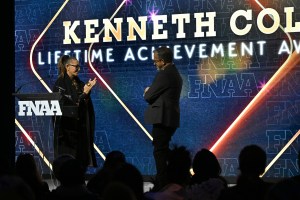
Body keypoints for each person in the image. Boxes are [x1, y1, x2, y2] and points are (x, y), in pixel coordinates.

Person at [143, 46, 183, 190]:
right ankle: (177, 171)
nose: (154, 63)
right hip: (169, 118)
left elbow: (149, 96)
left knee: (159, 151)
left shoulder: (165, 74)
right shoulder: (173, 72)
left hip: (163, 118)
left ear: (163, 61)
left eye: (156, 61)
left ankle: (162, 183)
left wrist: (148, 90)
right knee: (163, 149)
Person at [53, 55, 97, 169]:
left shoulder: (78, 82)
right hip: (67, 130)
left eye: (79, 66)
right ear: (67, 67)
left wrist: (87, 90)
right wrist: (84, 94)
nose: (78, 69)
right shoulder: (60, 84)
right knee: (70, 161)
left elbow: (83, 102)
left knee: (81, 159)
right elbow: (70, 103)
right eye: (75, 66)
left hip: (79, 127)